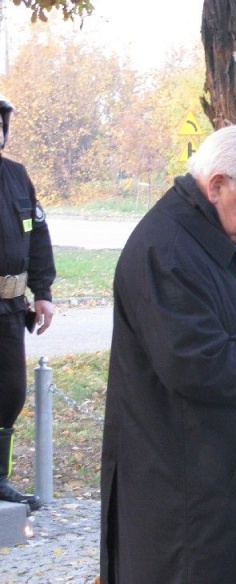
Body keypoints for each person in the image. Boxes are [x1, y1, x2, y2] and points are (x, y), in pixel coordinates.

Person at [100, 125, 236, 583]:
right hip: (192, 507)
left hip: (227, 488)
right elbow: (198, 364)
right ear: (218, 184)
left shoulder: (211, 233)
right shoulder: (166, 249)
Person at [0, 94, 55, 513]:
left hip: (10, 308)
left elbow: (37, 236)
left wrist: (43, 294)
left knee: (10, 393)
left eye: (1, 125)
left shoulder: (17, 177)